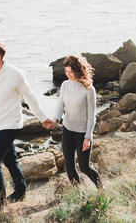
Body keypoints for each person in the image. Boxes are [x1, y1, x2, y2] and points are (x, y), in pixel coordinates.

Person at [0, 40, 53, 210]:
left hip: (12, 124)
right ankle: (20, 191)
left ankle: (0, 201)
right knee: (10, 159)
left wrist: (42, 118)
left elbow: (30, 97)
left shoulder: (15, 74)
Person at [52, 55, 101, 188]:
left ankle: (102, 190)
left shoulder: (89, 90)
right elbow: (60, 105)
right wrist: (55, 119)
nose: (68, 75)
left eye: (71, 72)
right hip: (67, 130)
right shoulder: (65, 85)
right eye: (66, 72)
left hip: (82, 133)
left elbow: (92, 115)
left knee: (84, 167)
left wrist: (88, 137)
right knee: (69, 166)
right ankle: (78, 193)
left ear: (78, 70)